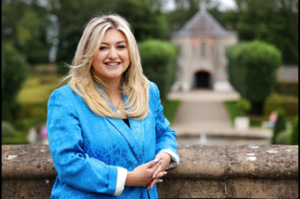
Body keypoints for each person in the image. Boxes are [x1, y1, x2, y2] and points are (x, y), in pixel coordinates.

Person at [46, 14, 179, 199]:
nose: (113, 55)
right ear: (89, 53)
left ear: (130, 52)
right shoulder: (66, 99)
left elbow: (164, 133)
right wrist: (128, 178)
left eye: (121, 47)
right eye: (102, 47)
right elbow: (67, 162)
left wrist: (164, 157)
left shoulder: (148, 91)